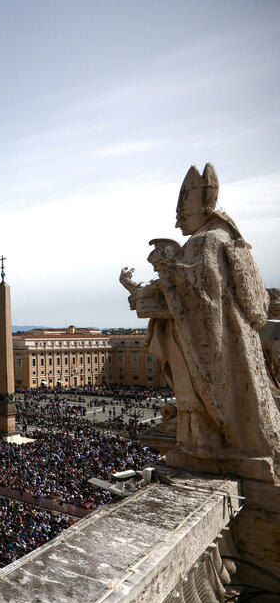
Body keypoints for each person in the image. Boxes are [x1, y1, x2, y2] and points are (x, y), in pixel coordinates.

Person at [121, 163, 280, 482]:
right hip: (227, 339)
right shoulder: (225, 237)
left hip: (209, 342)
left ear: (199, 206)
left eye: (181, 209)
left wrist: (164, 265)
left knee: (194, 391)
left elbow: (200, 296)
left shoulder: (206, 241)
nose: (178, 218)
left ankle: (204, 446)